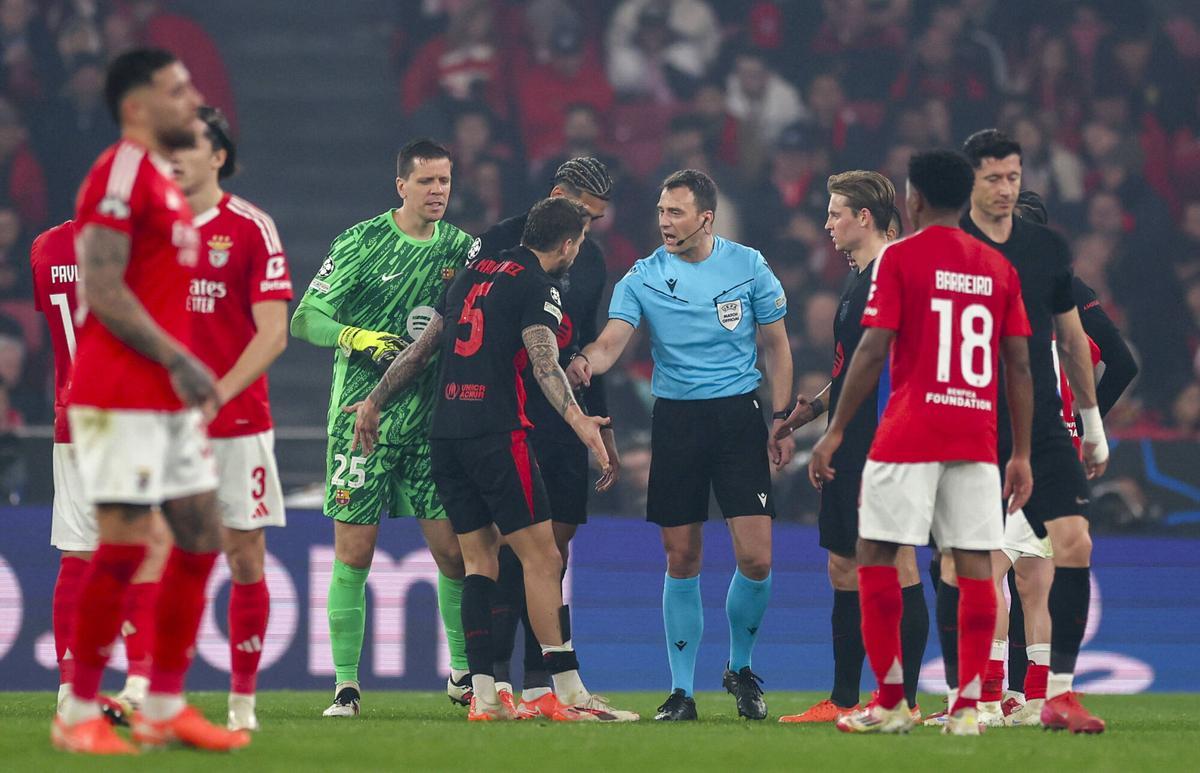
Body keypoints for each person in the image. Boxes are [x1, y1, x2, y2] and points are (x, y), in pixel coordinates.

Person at [347, 196, 638, 722]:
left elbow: (422, 349)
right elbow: (546, 361)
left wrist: (374, 400)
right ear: (568, 244)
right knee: (543, 558)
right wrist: (579, 422)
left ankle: (484, 697)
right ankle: (570, 694)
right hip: (497, 434)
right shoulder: (538, 284)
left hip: (447, 435)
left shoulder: (473, 272)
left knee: (480, 562)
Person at [52, 47, 248, 754]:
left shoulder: (163, 184)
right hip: (119, 393)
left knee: (201, 535)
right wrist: (179, 357)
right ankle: (76, 712)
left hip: (162, 400)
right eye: (176, 89)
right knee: (124, 544)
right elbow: (101, 289)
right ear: (136, 106)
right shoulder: (119, 174)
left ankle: (164, 704)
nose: (192, 98)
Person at [811, 149, 1034, 737]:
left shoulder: (900, 260)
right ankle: (967, 707)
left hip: (909, 429)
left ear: (913, 199)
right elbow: (1020, 364)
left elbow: (873, 349)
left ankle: (890, 701)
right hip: (976, 436)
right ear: (968, 198)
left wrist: (832, 431)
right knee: (973, 567)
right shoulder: (996, 266)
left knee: (879, 557)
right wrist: (1022, 452)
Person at [575, 169, 794, 721]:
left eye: (676, 213)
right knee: (682, 556)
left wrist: (782, 416)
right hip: (677, 421)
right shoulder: (644, 277)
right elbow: (612, 341)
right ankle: (681, 691)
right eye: (661, 213)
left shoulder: (748, 265)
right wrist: (585, 361)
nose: (665, 223)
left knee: (757, 558)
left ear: (706, 218)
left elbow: (777, 346)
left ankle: (740, 668)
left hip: (738, 418)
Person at [290, 138, 473, 717]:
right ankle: (346, 684)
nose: (438, 191)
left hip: (431, 425)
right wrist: (354, 336)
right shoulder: (362, 241)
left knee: (453, 554)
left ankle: (463, 673)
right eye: (426, 182)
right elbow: (305, 317)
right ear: (402, 186)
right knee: (355, 551)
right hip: (360, 419)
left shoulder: (464, 249)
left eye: (445, 181)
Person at [958, 130, 1109, 734]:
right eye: (993, 177)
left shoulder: (1046, 248)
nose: (1004, 189)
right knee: (976, 563)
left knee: (1075, 545)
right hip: (972, 420)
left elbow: (1073, 340)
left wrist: (1092, 427)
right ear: (970, 180)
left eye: (1012, 177)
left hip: (1044, 423)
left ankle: (1061, 696)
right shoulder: (947, 247)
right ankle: (976, 693)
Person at [974, 189, 1138, 728]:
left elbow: (1103, 360)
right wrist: (1084, 431)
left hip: (1012, 444)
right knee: (1031, 578)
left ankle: (995, 698)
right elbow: (1094, 358)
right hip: (1046, 444)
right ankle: (1035, 697)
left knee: (992, 570)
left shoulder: (1004, 298)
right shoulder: (1055, 306)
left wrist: (1083, 430)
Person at [775, 171, 928, 724]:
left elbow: (889, 365)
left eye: (836, 213)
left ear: (865, 218)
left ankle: (903, 702)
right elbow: (851, 368)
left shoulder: (894, 273)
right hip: (851, 436)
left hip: (885, 438)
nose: (827, 223)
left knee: (897, 560)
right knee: (844, 564)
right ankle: (843, 699)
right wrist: (811, 412)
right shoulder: (860, 277)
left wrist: (837, 431)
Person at [472, 157, 619, 717]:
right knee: (513, 547)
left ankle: (541, 682)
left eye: (596, 219)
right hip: (508, 409)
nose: (589, 230)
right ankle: (500, 682)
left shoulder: (593, 260)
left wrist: (589, 401)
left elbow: (578, 338)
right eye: (585, 215)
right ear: (559, 195)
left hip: (562, 414)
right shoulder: (496, 245)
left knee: (553, 550)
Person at [172, 106, 292, 731]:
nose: (174, 155)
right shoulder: (148, 229)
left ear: (217, 155)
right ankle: (150, 691)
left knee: (244, 556)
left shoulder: (250, 228)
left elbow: (273, 335)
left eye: (187, 144)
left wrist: (215, 394)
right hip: (162, 426)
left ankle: (242, 701)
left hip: (235, 423)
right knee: (156, 556)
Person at [31, 220, 170, 725]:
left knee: (78, 552)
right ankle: (138, 683)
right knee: (145, 548)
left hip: (70, 415)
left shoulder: (46, 247)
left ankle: (71, 690)